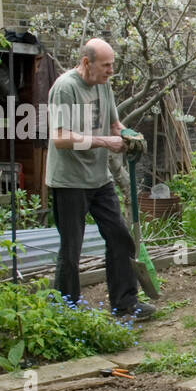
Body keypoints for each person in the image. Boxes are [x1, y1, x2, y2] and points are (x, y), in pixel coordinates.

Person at [46, 38, 155, 320]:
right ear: (86, 63)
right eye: (106, 66)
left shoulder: (104, 86)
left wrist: (130, 136)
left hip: (98, 179)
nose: (110, 71)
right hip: (68, 181)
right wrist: (106, 142)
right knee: (72, 249)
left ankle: (125, 304)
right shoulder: (65, 88)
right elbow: (60, 138)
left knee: (119, 237)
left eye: (112, 66)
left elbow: (115, 125)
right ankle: (66, 311)